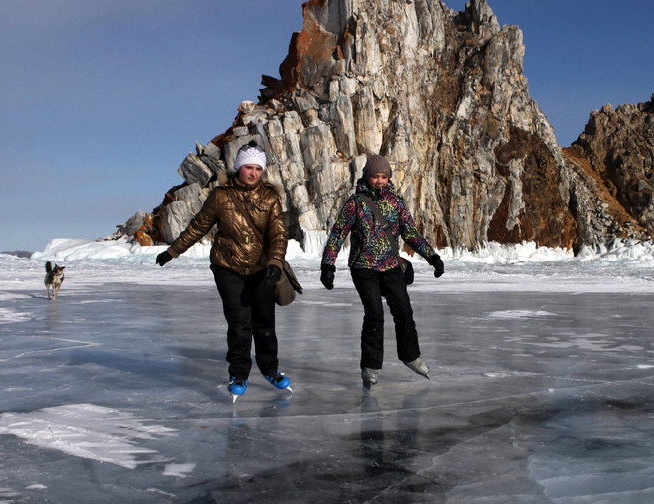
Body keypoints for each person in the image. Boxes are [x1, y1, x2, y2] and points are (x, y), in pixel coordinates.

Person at [156, 144, 290, 398]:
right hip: (227, 266)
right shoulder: (220, 196)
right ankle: (238, 373)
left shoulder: (270, 196)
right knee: (239, 323)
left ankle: (270, 369)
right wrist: (172, 251)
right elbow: (198, 227)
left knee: (264, 323)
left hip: (262, 267)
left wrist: (275, 262)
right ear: (239, 167)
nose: (253, 173)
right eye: (248, 167)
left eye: (258, 169)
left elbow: (279, 234)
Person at [320, 154, 445, 388]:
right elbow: (338, 234)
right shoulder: (355, 202)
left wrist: (433, 257)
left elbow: (410, 233)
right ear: (367, 177)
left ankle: (410, 357)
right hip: (363, 267)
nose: (379, 181)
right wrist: (328, 264)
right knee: (375, 315)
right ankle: (370, 367)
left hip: (390, 266)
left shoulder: (396, 202)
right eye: (375, 176)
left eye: (384, 176)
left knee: (404, 312)